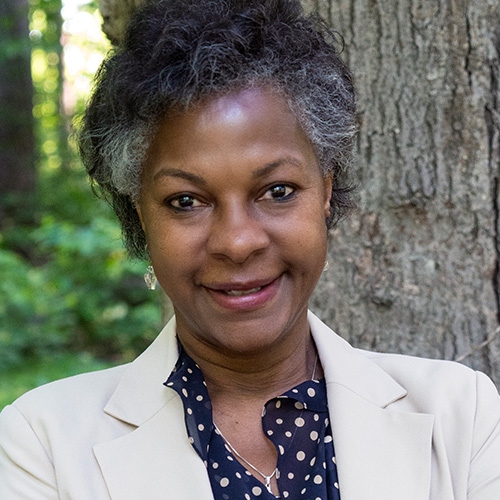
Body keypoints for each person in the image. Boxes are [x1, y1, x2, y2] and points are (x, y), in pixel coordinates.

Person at [1, 0, 499, 498]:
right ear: (141, 215)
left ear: (325, 191)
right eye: (186, 201)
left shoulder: (463, 418)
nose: (237, 242)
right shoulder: (42, 446)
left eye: (277, 191)